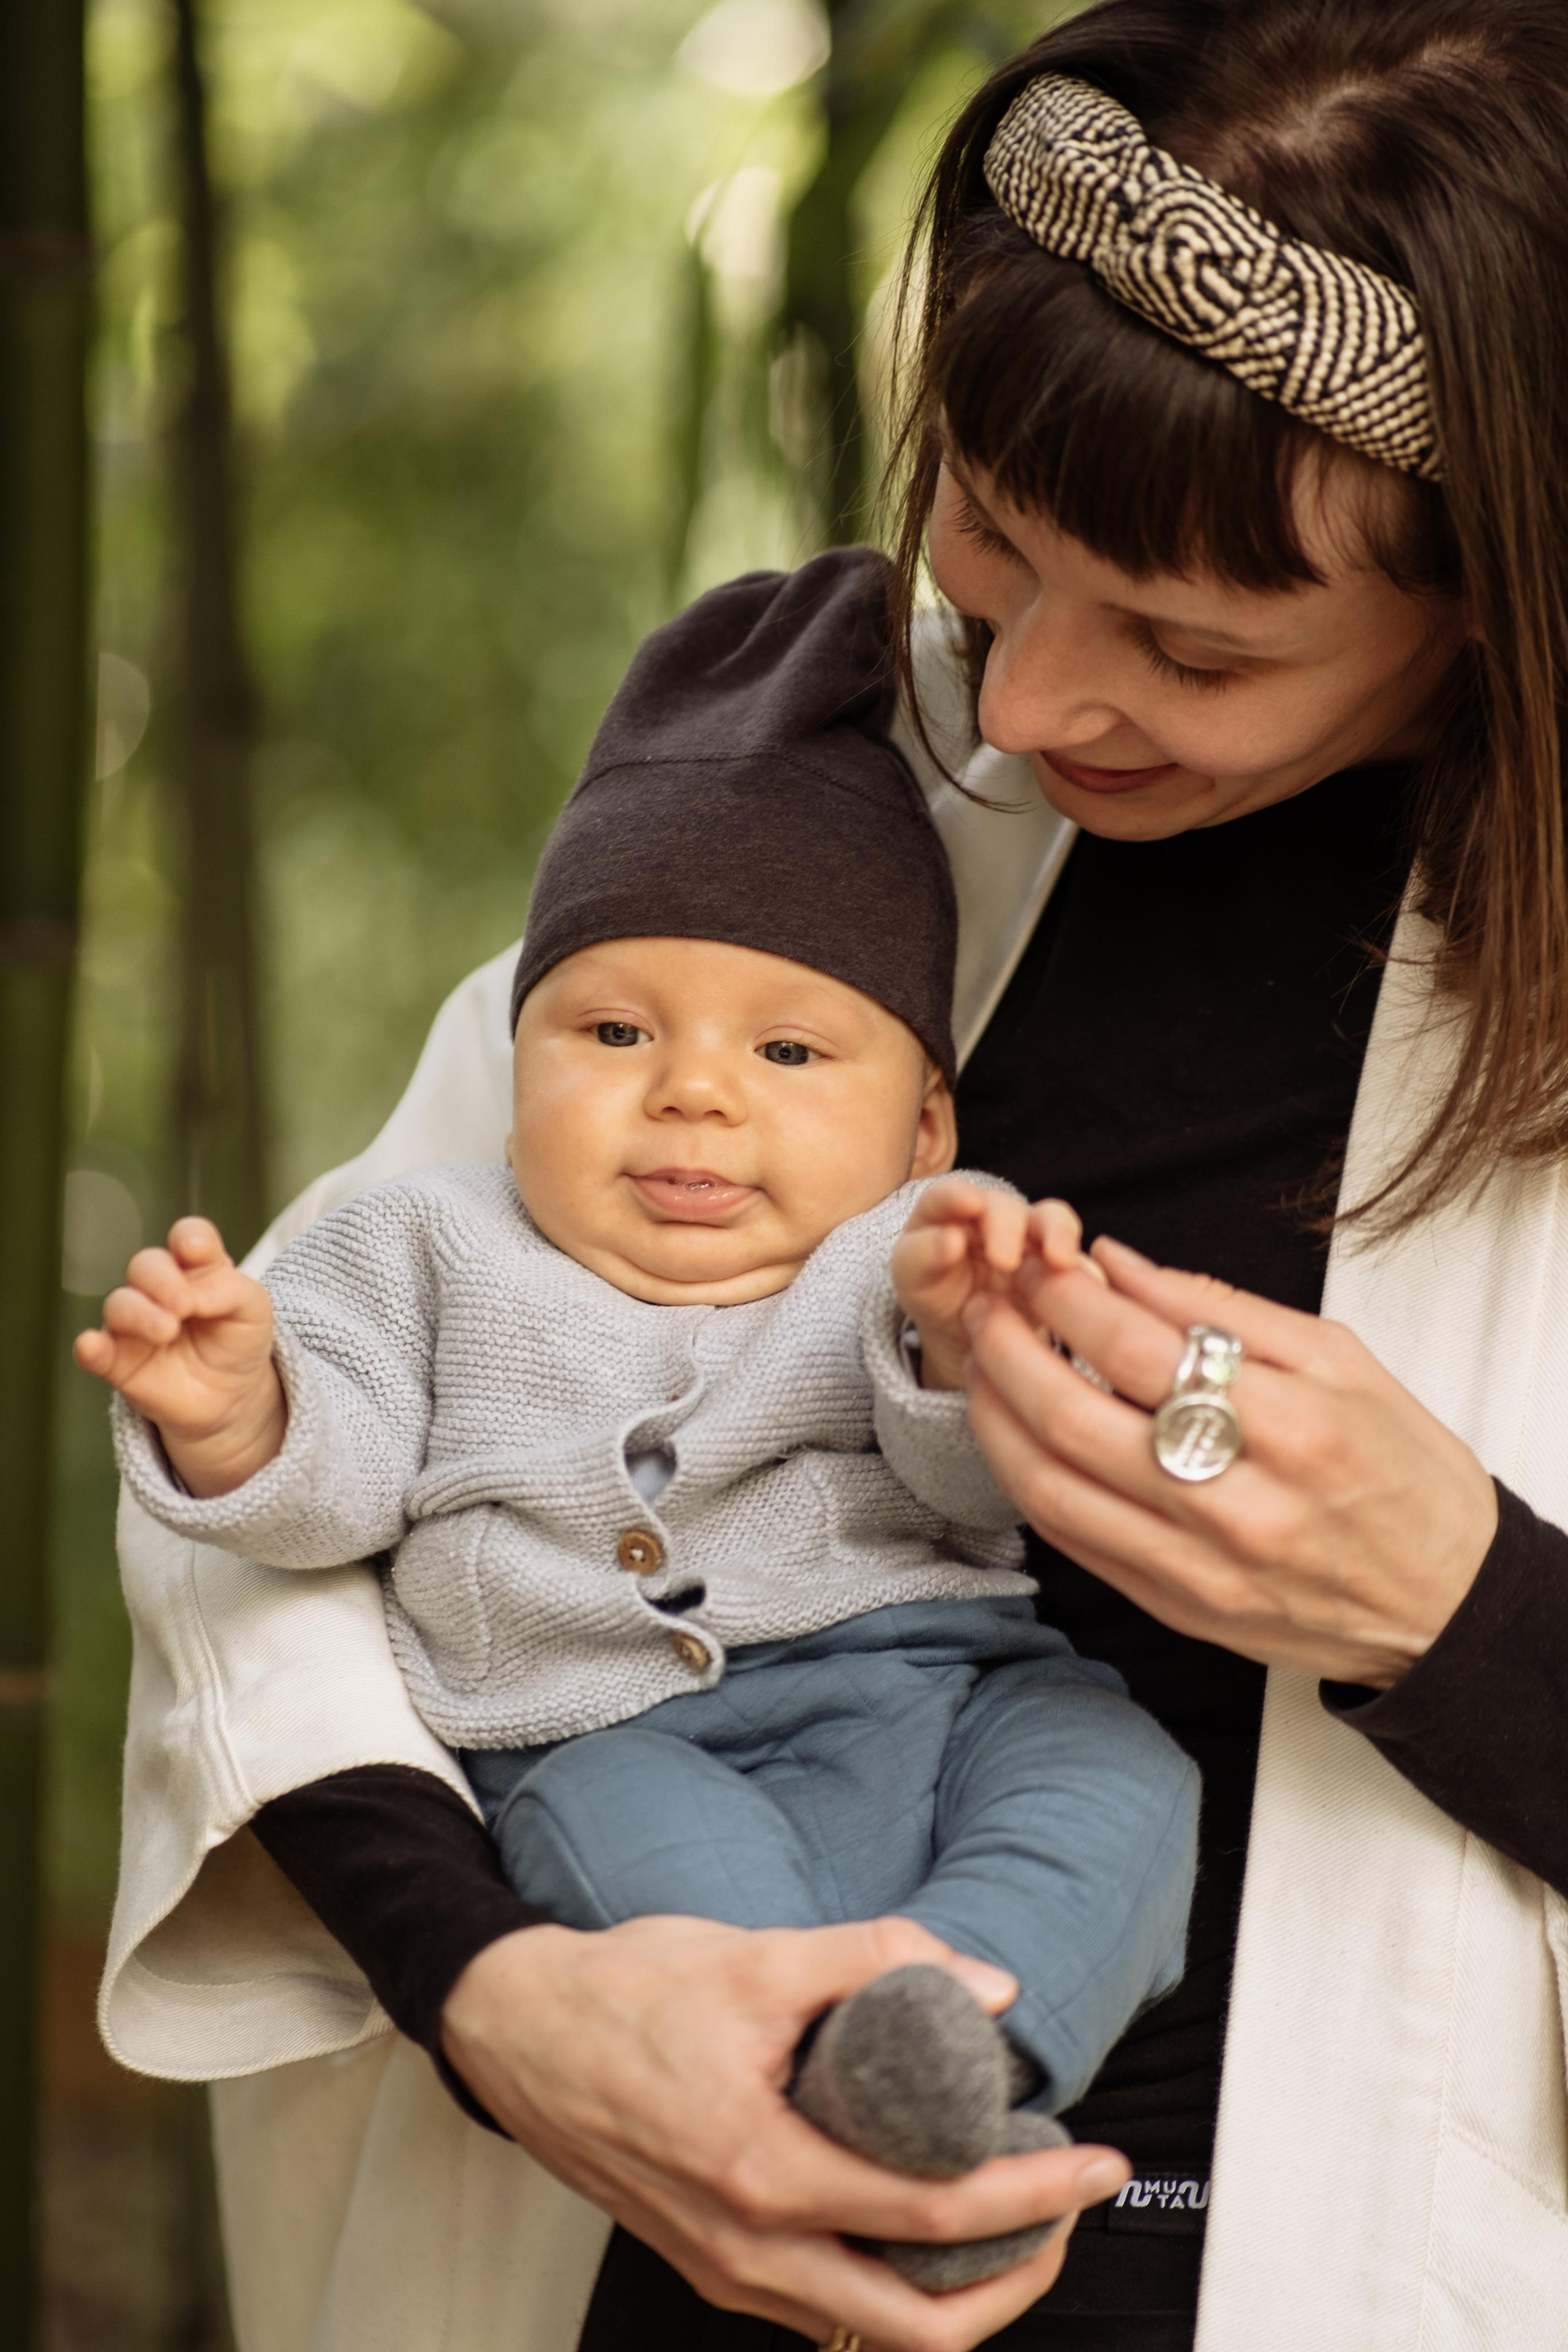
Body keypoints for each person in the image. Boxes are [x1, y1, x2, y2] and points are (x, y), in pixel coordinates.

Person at [96, 2, 1568, 2347]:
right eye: (990, 536)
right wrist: (496, 1994)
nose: (1028, 705)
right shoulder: (784, 794)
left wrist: (1462, 1608)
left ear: (1502, 593)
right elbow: (304, 1493)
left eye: (1189, 646)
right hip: (632, 2213)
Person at [81, 559, 1200, 2294]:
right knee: (678, 1897)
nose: (692, 1091)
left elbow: (984, 1489)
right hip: (598, 1729)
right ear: (514, 1053)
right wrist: (242, 1416)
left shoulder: (914, 1247)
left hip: (938, 1686)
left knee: (1120, 1782)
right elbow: (338, 1501)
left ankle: (968, 2058)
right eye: (612, 1031)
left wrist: (970, 1348)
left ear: (922, 1127)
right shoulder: (423, 1242)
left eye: (790, 1055)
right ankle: (880, 2145)